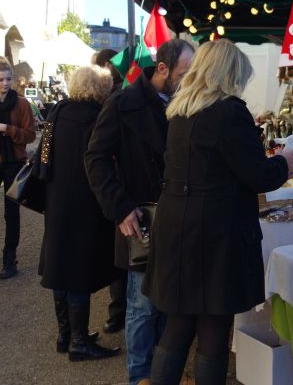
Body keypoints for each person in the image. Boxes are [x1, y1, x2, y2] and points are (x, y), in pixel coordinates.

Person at [143, 39, 293, 385]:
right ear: (229, 73)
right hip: (213, 231)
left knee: (179, 322)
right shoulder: (228, 111)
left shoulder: (180, 109)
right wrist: (283, 164)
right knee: (214, 325)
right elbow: (256, 174)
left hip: (176, 224)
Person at [85, 39, 195, 385]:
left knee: (170, 303)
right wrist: (120, 208)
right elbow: (96, 159)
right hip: (141, 218)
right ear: (162, 69)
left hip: (180, 217)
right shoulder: (123, 103)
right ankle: (139, 377)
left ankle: (163, 376)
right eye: (185, 73)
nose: (190, 79)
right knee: (142, 306)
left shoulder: (187, 103)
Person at [38, 65, 121, 361]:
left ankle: (66, 335)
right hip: (85, 202)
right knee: (78, 271)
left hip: (56, 198)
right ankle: (78, 341)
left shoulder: (56, 112)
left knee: (59, 266)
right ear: (100, 89)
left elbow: (42, 157)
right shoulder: (98, 118)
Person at [0, 57, 36, 281]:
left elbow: (30, 136)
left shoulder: (22, 104)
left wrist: (7, 128)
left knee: (12, 213)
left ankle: (10, 259)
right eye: (0, 79)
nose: (5, 83)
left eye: (8, 79)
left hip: (14, 163)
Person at [92, 47, 126, 334]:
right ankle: (118, 312)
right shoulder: (115, 100)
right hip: (114, 188)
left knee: (119, 253)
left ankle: (117, 312)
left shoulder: (109, 101)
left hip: (103, 189)